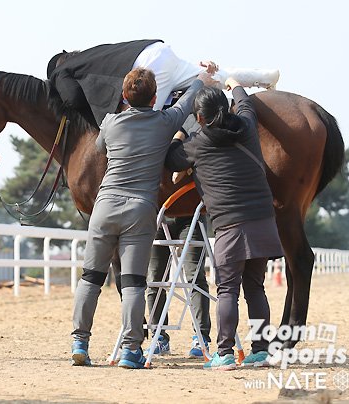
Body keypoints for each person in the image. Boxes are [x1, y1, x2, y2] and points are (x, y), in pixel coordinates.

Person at [70, 67, 217, 369]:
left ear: (125, 96)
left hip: (104, 206)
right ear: (154, 99)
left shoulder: (110, 123)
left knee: (91, 277)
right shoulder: (164, 122)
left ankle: (80, 342)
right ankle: (131, 350)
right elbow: (187, 102)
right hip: (139, 208)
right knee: (134, 282)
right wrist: (204, 77)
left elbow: (100, 148)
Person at [165, 78, 283, 370]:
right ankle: (261, 351)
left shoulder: (198, 143)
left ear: (200, 118)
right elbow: (245, 103)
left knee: (228, 289)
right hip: (263, 218)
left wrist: (181, 132)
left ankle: (225, 353)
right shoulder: (246, 127)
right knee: (256, 287)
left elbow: (171, 159)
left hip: (230, 224)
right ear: (227, 108)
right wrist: (234, 83)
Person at [47, 39, 218, 127]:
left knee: (145, 126)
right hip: (156, 49)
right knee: (219, 78)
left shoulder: (59, 72)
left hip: (148, 66)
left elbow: (73, 99)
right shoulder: (90, 56)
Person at [146, 213, 212, 359]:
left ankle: (201, 338)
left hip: (191, 216)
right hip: (159, 216)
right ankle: (158, 337)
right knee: (154, 279)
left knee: (194, 277)